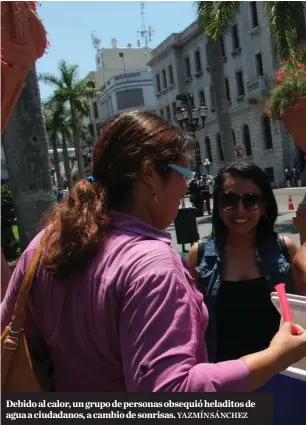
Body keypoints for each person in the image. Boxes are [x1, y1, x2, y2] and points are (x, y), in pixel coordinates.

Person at [2, 112, 306, 392]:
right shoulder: (152, 266)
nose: (186, 187)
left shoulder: (44, 243)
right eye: (183, 172)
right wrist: (274, 357)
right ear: (149, 175)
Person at [188, 162, 306, 363]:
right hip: (224, 380)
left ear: (264, 207)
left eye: (251, 200)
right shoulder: (199, 256)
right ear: (218, 204)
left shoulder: (284, 250)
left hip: (279, 375)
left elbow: (300, 317)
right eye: (229, 199)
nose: (240, 210)